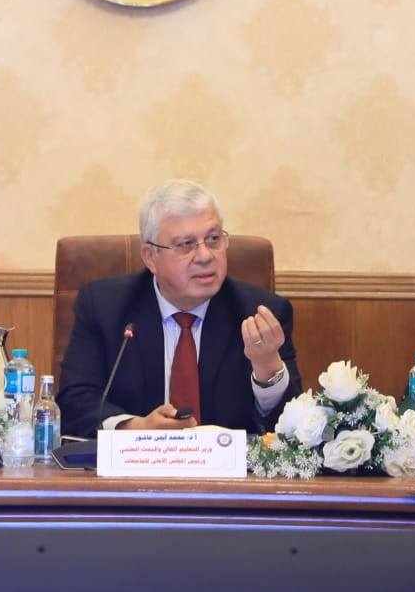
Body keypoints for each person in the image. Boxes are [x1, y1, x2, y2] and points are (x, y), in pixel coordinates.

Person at [57, 179, 301, 438]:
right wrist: (136, 428)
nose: (205, 256)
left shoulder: (260, 314)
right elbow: (75, 401)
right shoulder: (104, 307)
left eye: (213, 239)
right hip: (135, 463)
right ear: (150, 257)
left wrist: (267, 368)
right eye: (186, 244)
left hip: (229, 464)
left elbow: (294, 428)